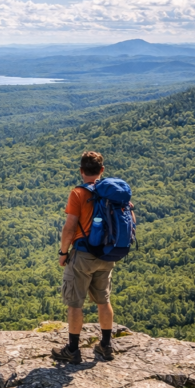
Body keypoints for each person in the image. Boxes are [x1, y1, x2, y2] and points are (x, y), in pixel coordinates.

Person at [52, 150, 129, 364]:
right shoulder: (113, 193)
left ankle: (73, 351)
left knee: (75, 303)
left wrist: (63, 253)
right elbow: (129, 217)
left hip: (82, 256)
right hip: (107, 254)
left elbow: (69, 227)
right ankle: (106, 346)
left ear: (81, 171)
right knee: (103, 301)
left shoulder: (78, 194)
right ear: (102, 170)